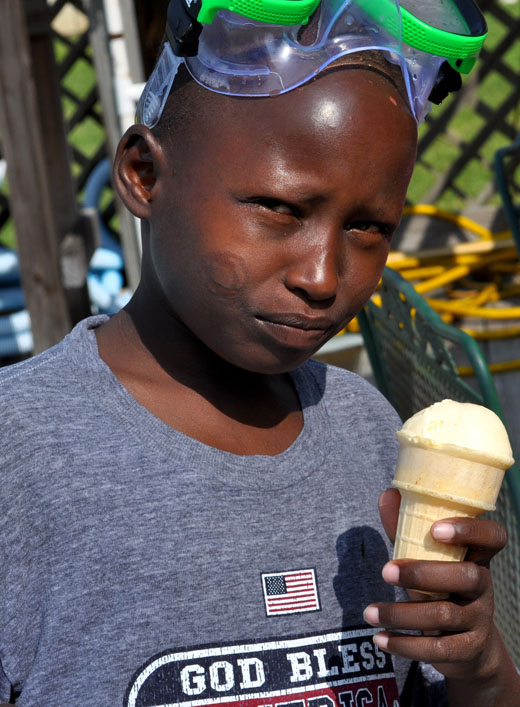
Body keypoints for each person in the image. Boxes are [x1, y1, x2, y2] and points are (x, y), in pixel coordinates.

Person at [0, 0, 519, 704]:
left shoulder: (367, 429)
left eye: (368, 226)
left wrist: (478, 666)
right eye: (280, 208)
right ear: (142, 175)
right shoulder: (20, 455)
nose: (323, 276)